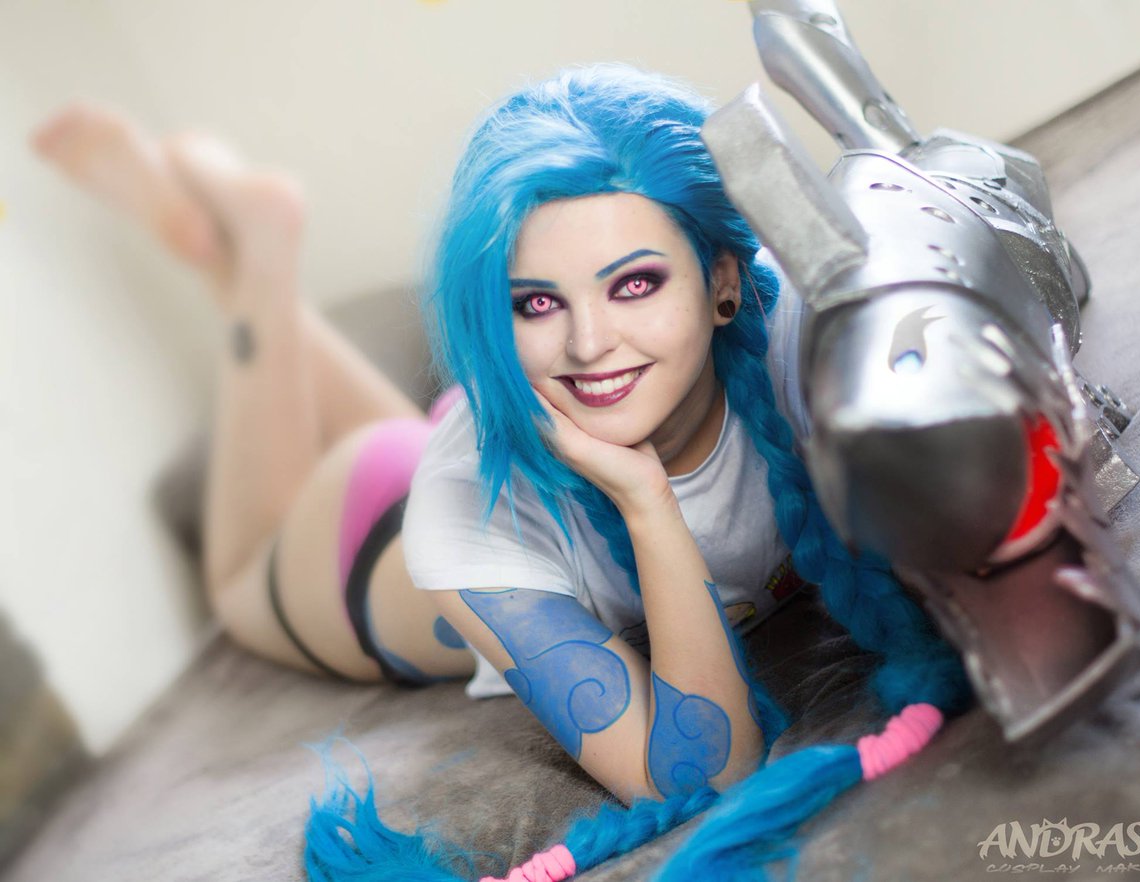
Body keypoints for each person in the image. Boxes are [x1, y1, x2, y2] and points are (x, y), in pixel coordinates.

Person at [33, 64, 970, 880]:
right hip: (370, 539)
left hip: (493, 430)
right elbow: (705, 774)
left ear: (724, 278)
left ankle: (248, 254)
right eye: (535, 303)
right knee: (242, 583)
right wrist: (646, 501)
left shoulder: (801, 332)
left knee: (427, 439)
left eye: (634, 283)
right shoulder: (464, 514)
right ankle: (256, 280)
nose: (591, 342)